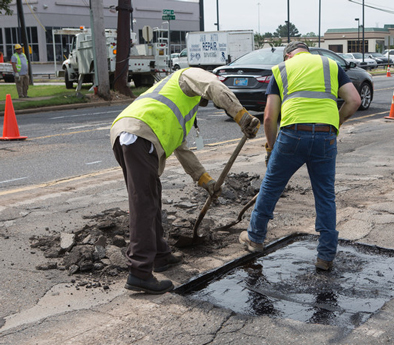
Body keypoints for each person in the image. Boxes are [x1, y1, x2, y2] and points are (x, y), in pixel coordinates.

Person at [111, 67, 261, 294]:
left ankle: (161, 255)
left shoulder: (182, 107)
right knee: (143, 203)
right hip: (137, 134)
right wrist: (241, 115)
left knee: (151, 196)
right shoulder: (189, 75)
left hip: (134, 136)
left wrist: (206, 181)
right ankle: (139, 271)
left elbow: (183, 151)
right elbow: (214, 86)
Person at [239, 41, 361, 271]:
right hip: (326, 136)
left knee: (271, 187)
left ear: (288, 56)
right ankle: (325, 256)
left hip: (292, 134)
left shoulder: (282, 69)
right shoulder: (330, 64)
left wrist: (272, 148)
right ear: (308, 52)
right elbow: (354, 100)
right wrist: (336, 122)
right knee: (325, 195)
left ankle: (255, 238)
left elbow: (268, 118)